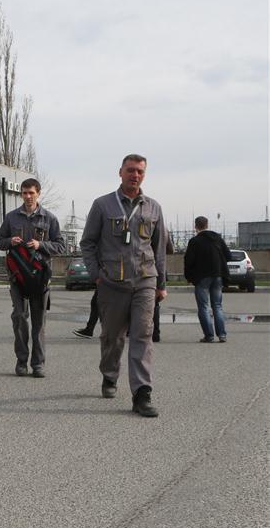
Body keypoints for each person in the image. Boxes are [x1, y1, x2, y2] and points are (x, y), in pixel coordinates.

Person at [80, 154, 167, 418]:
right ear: (120, 172)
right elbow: (88, 243)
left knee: (142, 335)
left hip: (144, 282)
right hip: (112, 284)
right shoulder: (103, 205)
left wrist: (160, 283)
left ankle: (142, 394)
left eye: (140, 171)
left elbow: (159, 248)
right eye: (131, 170)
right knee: (112, 338)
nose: (135, 175)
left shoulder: (153, 208)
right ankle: (109, 374)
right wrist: (96, 274)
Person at [0, 179, 66, 378]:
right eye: (24, 193)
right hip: (17, 277)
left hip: (40, 278)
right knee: (19, 317)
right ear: (21, 194)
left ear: (38, 194)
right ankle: (21, 361)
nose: (28, 196)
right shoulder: (11, 218)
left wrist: (40, 245)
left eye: (31, 193)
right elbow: (0, 241)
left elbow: (60, 246)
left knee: (39, 322)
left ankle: (38, 364)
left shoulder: (49, 219)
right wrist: (10, 241)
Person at [184, 215, 232, 343]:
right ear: (207, 225)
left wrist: (189, 276)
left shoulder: (194, 241)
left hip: (202, 277)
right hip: (217, 275)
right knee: (217, 305)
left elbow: (188, 261)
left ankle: (209, 336)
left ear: (195, 226)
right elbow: (228, 255)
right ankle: (222, 335)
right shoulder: (217, 238)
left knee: (203, 307)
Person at [151, 227, 174, 342]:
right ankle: (156, 332)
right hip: (159, 268)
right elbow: (170, 250)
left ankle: (132, 329)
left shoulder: (139, 224)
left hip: (143, 267)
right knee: (154, 303)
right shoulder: (164, 230)